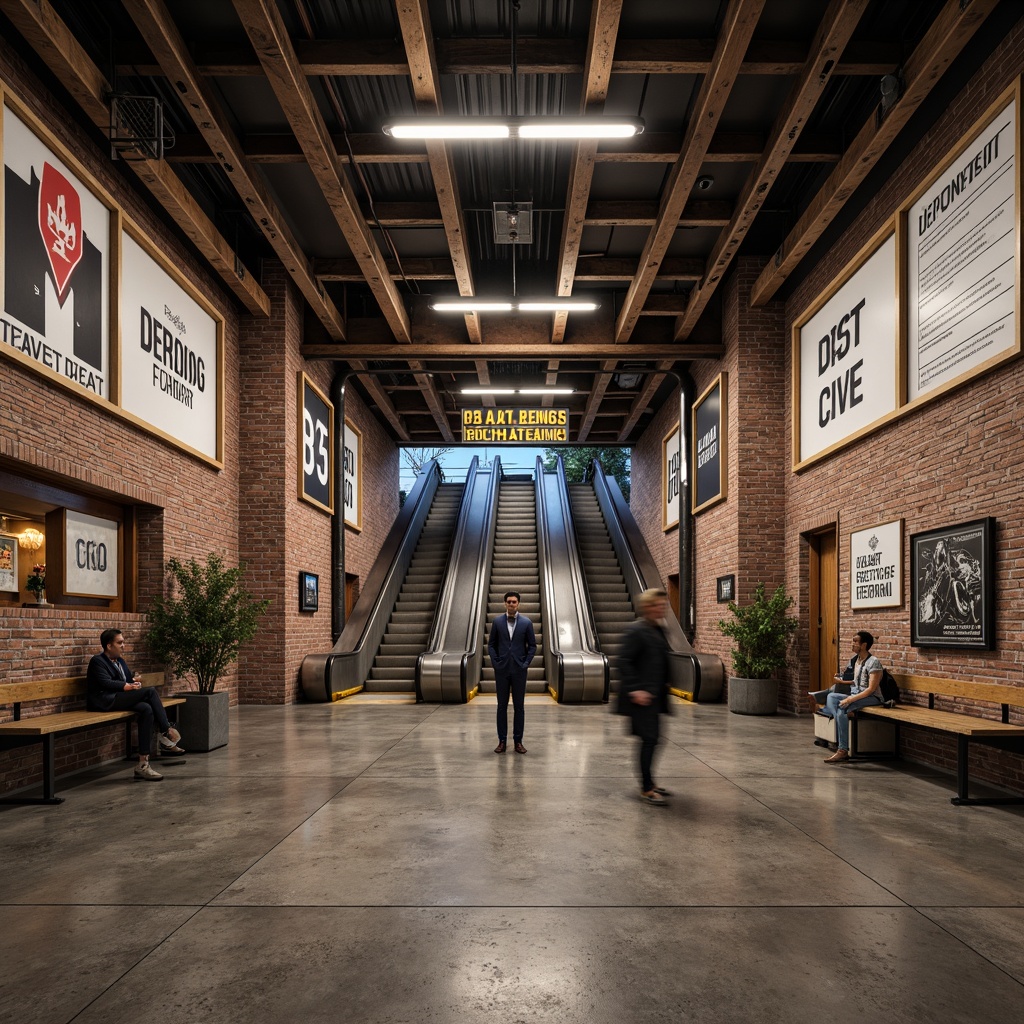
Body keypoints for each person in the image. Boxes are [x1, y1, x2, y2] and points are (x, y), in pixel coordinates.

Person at [86, 628, 183, 781]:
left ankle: (143, 764)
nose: (123, 645)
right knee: (150, 692)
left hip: (119, 697)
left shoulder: (120, 661)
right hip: (104, 700)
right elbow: (105, 682)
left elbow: (128, 681)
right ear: (109, 646)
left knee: (146, 709)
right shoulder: (97, 661)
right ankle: (166, 730)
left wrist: (133, 683)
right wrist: (126, 686)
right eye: (120, 642)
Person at [616, 588, 674, 805]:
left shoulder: (658, 629)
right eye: (659, 605)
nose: (663, 608)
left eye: (664, 605)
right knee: (649, 740)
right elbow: (623, 661)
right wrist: (635, 689)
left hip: (655, 696)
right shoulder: (636, 631)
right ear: (648, 606)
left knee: (654, 739)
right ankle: (647, 788)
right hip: (641, 698)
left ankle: (650, 781)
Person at [819, 629, 884, 764]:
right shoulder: (857, 661)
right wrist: (842, 681)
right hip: (857, 694)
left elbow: (871, 689)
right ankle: (848, 714)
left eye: (855, 642)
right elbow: (856, 682)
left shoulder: (874, 662)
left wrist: (849, 699)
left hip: (872, 698)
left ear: (864, 645)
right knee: (831, 697)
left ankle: (842, 750)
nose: (852, 644)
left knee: (842, 708)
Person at [487, 591, 536, 754]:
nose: (511, 604)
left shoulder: (526, 622)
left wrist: (525, 663)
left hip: (519, 670)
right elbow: (491, 644)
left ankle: (518, 742)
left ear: (518, 604)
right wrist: (495, 662)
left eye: (514, 602)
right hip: (501, 670)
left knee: (519, 707)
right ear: (504, 604)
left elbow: (533, 646)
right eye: (508, 602)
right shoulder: (497, 621)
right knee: (501, 706)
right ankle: (502, 741)